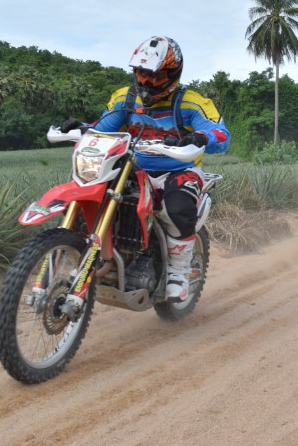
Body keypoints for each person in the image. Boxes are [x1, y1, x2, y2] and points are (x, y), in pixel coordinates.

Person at [61, 36, 230, 300]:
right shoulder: (126, 98)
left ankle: (178, 272)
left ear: (173, 74)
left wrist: (200, 137)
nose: (148, 82)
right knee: (94, 196)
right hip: (133, 169)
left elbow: (221, 134)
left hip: (178, 170)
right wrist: (82, 128)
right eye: (143, 73)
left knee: (177, 209)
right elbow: (103, 128)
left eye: (156, 76)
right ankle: (91, 257)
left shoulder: (191, 102)